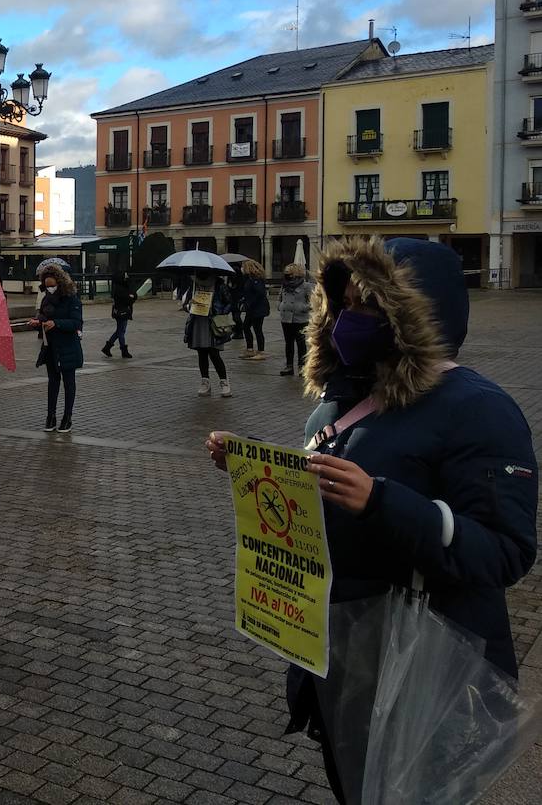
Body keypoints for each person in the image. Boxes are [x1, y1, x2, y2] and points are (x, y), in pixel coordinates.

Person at [205, 237, 538, 803]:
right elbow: (326, 494)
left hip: (420, 666)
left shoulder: (477, 407)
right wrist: (261, 466)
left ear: (413, 314)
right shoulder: (334, 403)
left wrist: (383, 501)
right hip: (341, 656)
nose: (347, 319)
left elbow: (505, 550)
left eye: (367, 305)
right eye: (343, 305)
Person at [29, 265, 83, 432]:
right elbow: (43, 316)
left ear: (59, 283)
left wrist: (57, 323)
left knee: (69, 383)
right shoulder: (46, 299)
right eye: (47, 286)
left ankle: (67, 417)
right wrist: (38, 322)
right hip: (50, 346)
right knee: (53, 382)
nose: (50, 289)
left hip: (68, 346)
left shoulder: (71, 298)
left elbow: (76, 322)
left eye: (52, 285)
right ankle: (50, 416)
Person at [183, 271, 232, 397]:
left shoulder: (219, 284)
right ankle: (205, 382)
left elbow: (229, 302)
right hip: (198, 321)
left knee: (214, 353)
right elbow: (185, 303)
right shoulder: (194, 284)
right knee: (202, 352)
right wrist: (190, 305)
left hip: (214, 322)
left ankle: (224, 382)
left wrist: (220, 313)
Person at [278, 261, 314, 376]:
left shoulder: (306, 286)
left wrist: (302, 307)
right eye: (286, 273)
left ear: (296, 273)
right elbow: (280, 297)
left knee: (300, 343)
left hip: (300, 319)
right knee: (288, 343)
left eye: (289, 273)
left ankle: (302, 366)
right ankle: (289, 366)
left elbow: (314, 301)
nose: (287, 275)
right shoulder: (284, 285)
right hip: (286, 318)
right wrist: (280, 305)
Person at [239, 260, 270, 361]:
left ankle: (261, 351)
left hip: (258, 308)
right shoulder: (249, 279)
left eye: (243, 267)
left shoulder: (256, 279)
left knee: (257, 329)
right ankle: (250, 349)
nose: (242, 269)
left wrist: (249, 302)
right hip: (252, 308)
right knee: (246, 327)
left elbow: (259, 293)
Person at [101, 272, 136, 358]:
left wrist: (132, 297)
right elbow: (128, 299)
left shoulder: (122, 287)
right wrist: (131, 297)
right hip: (122, 312)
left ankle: (107, 347)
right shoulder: (120, 289)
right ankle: (123, 350)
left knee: (119, 331)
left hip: (122, 312)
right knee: (121, 331)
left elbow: (133, 295)